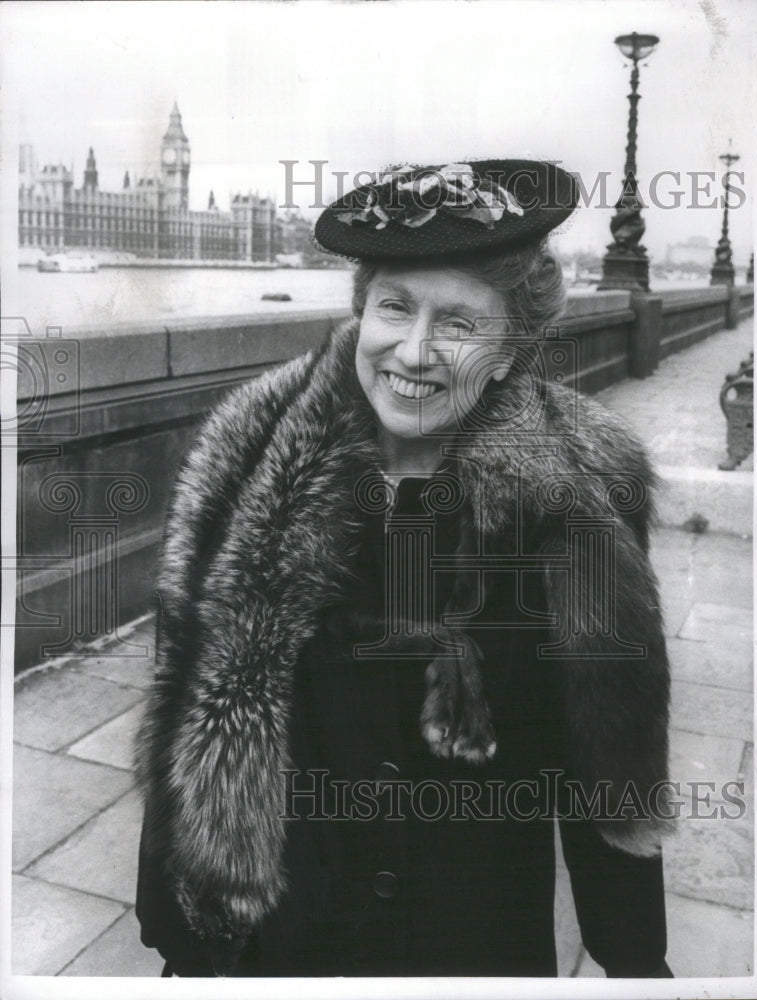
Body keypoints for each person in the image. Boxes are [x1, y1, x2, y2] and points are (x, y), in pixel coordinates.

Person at [135, 159, 674, 978]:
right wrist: (184, 934)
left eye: (456, 324)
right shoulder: (244, 465)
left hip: (475, 940)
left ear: (509, 351)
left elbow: (608, 743)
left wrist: (636, 957)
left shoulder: (580, 497)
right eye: (395, 307)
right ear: (363, 310)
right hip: (291, 946)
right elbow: (193, 694)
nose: (413, 352)